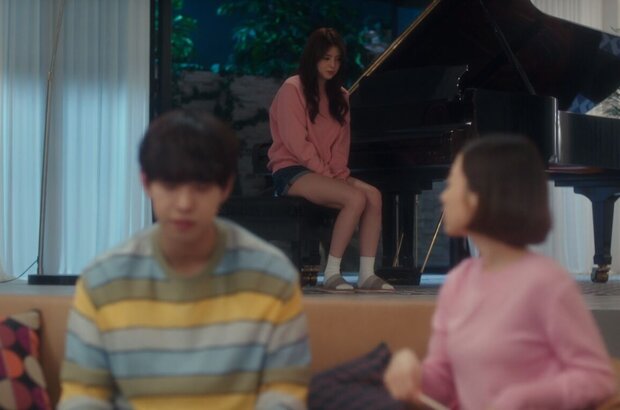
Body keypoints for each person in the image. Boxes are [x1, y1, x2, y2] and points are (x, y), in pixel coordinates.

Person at [59, 109, 311, 410]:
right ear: (146, 183)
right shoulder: (103, 281)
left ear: (225, 187)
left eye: (201, 188)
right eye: (170, 186)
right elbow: (83, 398)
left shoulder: (272, 277)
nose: (184, 204)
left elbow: (283, 396)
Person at [383, 136, 616, 409]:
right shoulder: (459, 280)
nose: (444, 195)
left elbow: (598, 379)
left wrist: (524, 399)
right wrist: (412, 371)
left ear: (481, 196)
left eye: (453, 184)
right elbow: (443, 382)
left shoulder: (546, 282)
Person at [268, 27, 392, 291]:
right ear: (313, 58)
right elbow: (295, 143)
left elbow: (340, 146)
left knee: (373, 196)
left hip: (326, 172)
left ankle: (367, 274)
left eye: (337, 59)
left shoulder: (342, 96)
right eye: (326, 58)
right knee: (354, 198)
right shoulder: (292, 88)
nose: (332, 65)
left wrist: (337, 174)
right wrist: (327, 175)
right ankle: (332, 273)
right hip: (292, 170)